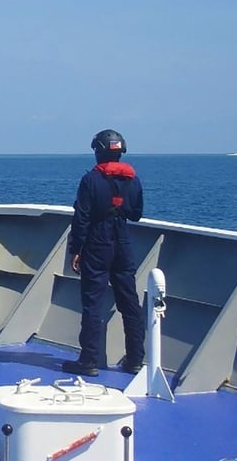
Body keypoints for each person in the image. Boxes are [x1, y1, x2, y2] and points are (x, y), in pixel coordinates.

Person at [62, 129, 146, 377]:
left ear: (98, 151)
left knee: (93, 304)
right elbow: (136, 213)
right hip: (123, 243)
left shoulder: (90, 181)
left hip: (97, 243)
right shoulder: (133, 180)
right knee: (130, 303)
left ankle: (88, 360)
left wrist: (76, 249)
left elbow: (82, 218)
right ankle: (135, 360)